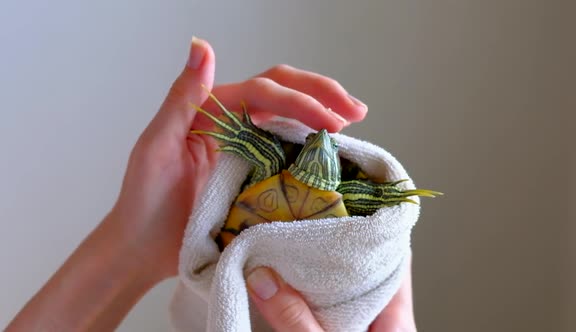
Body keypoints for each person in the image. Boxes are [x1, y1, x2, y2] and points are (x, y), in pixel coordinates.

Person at [6, 37, 417, 332]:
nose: (321, 146)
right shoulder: (277, 165)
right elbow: (264, 155)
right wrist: (132, 246)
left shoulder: (329, 189)